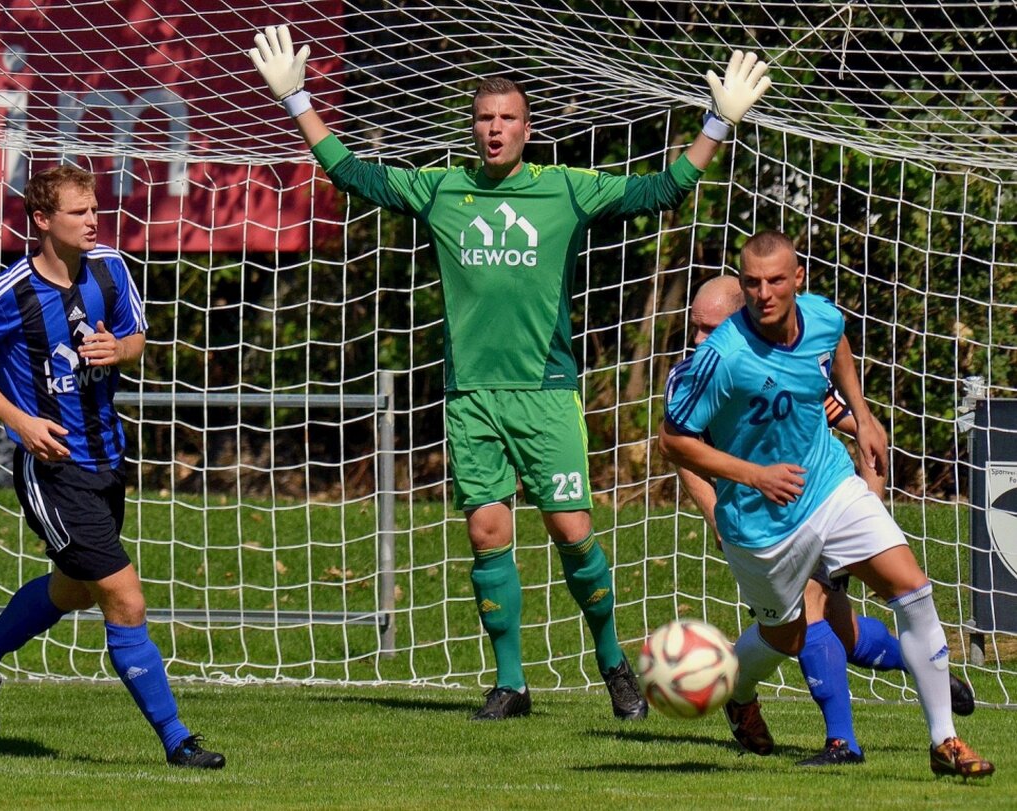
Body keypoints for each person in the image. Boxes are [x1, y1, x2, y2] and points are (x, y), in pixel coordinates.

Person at [248, 24, 769, 720]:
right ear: (473, 128)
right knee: (487, 533)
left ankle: (613, 660)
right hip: (473, 397)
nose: (495, 131)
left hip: (546, 394)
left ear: (528, 128)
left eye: (508, 119)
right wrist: (297, 99)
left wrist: (718, 121)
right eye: (484, 119)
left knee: (572, 531)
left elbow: (662, 191)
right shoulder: (441, 189)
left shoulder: (566, 190)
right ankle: (511, 681)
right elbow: (353, 174)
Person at [658, 230, 992, 778]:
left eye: (775, 281)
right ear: (744, 286)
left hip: (829, 486)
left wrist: (863, 417)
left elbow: (836, 343)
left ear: (798, 280)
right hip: (760, 525)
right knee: (788, 636)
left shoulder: (822, 316)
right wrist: (753, 475)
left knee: (912, 588)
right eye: (753, 282)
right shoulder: (722, 357)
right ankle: (739, 691)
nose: (764, 293)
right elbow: (674, 441)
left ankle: (944, 742)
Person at [0, 165, 225, 769]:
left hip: (107, 457)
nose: (94, 220)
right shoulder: (5, 293)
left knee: (74, 589)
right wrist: (20, 422)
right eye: (78, 212)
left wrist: (117, 348)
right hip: (51, 468)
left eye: (94, 209)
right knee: (124, 596)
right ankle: (178, 742)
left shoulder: (111, 269)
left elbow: (136, 338)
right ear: (42, 221)